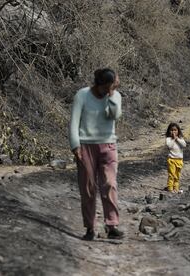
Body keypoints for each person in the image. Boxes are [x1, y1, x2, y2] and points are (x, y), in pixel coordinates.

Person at [69, 68, 124, 240]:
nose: (107, 91)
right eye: (105, 88)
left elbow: (114, 115)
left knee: (110, 184)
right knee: (88, 188)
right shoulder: (82, 95)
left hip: (108, 145)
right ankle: (90, 228)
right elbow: (73, 122)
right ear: (97, 84)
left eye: (111, 87)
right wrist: (75, 145)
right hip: (86, 146)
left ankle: (112, 225)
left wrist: (112, 94)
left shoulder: (115, 96)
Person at [165, 123, 186, 193]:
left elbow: (184, 145)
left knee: (177, 175)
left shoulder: (180, 139)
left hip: (179, 160)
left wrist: (177, 139)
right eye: (171, 130)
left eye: (175, 130)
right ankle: (170, 188)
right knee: (171, 174)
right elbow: (169, 146)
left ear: (178, 131)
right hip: (171, 159)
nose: (173, 132)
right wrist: (173, 139)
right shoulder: (168, 139)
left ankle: (176, 187)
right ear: (169, 131)